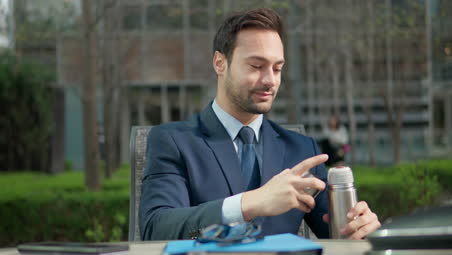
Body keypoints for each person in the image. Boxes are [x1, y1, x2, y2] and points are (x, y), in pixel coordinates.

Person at [139, 8, 380, 241]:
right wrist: (249, 203)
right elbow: (158, 229)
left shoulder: (303, 150)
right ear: (219, 63)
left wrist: (361, 228)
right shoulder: (173, 141)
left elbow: (338, 235)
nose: (270, 81)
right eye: (256, 66)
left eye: (277, 68)